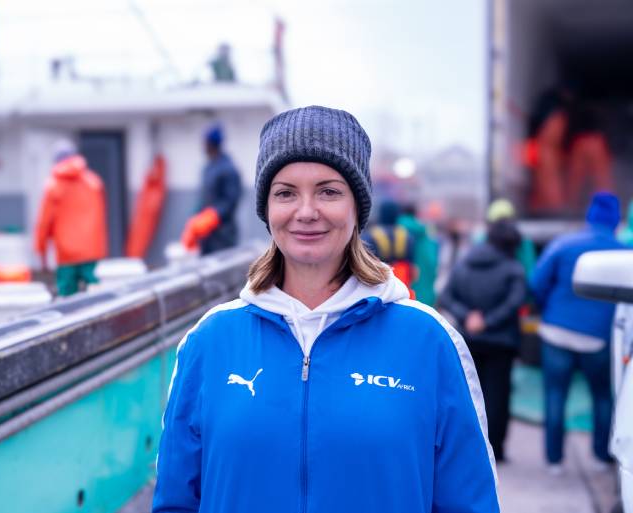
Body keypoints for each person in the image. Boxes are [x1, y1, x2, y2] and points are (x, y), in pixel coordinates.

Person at [154, 106, 499, 512]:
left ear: (358, 206)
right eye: (286, 193)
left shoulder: (429, 341)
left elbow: (471, 502)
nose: (306, 211)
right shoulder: (211, 342)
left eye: (328, 191)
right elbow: (175, 501)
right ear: (267, 209)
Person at [531, 191, 626, 473]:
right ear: (615, 220)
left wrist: (550, 310)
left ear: (589, 216)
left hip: (556, 332)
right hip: (597, 337)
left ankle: (554, 461)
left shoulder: (563, 243)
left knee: (555, 396)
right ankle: (600, 457)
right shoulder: (621, 251)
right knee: (603, 397)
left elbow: (537, 283)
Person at [439, 219, 526, 462]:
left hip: (468, 340)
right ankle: (495, 449)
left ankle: (469, 449)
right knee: (498, 396)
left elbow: (445, 296)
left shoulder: (464, 263)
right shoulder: (513, 267)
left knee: (467, 395)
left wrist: (467, 317)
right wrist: (488, 320)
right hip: (501, 342)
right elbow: (516, 301)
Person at [34, 140, 108, 296]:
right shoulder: (93, 182)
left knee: (67, 300)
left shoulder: (53, 186)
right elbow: (101, 220)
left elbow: (44, 223)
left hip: (66, 253)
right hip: (91, 250)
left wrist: (41, 252)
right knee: (96, 296)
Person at [181, 124, 241, 255]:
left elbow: (231, 200)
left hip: (223, 235)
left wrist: (213, 216)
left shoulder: (228, 169)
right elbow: (203, 198)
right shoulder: (208, 168)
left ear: (210, 143)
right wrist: (194, 220)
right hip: (206, 236)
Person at [362, 200, 416, 294]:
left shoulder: (371, 235)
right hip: (402, 283)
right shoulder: (407, 235)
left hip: (379, 282)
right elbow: (412, 266)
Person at [398, 204, 439, 305]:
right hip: (425, 296)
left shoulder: (396, 232)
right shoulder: (425, 236)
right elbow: (433, 265)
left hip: (401, 295)